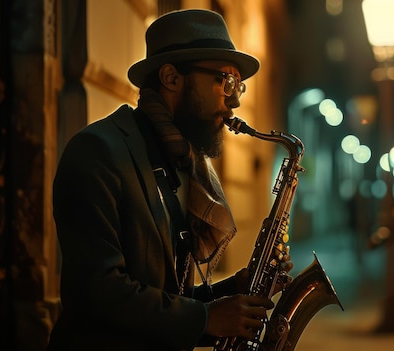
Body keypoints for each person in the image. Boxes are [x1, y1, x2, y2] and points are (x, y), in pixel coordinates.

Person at [47, 8, 292, 351]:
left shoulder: (183, 163)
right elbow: (100, 290)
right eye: (225, 79)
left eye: (239, 84)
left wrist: (234, 289)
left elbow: (166, 296)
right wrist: (206, 319)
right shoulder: (96, 151)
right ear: (171, 78)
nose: (235, 100)